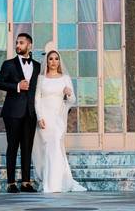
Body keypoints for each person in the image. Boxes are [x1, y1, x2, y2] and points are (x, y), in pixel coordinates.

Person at [32, 48, 86, 193]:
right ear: (47, 62)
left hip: (57, 118)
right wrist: (39, 117)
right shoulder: (41, 79)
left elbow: (72, 100)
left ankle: (54, 184)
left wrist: (68, 94)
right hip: (44, 118)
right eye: (51, 59)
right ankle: (49, 180)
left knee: (55, 145)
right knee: (46, 150)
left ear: (59, 61)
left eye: (56, 59)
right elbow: (37, 99)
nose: (53, 62)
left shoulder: (65, 78)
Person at [0, 32, 41, 193]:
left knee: (27, 147)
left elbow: (38, 90)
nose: (17, 46)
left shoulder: (37, 65)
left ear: (29, 45)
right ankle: (11, 183)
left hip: (30, 113)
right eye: (16, 43)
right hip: (12, 112)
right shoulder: (9, 64)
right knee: (12, 146)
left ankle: (26, 182)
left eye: (21, 43)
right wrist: (17, 86)